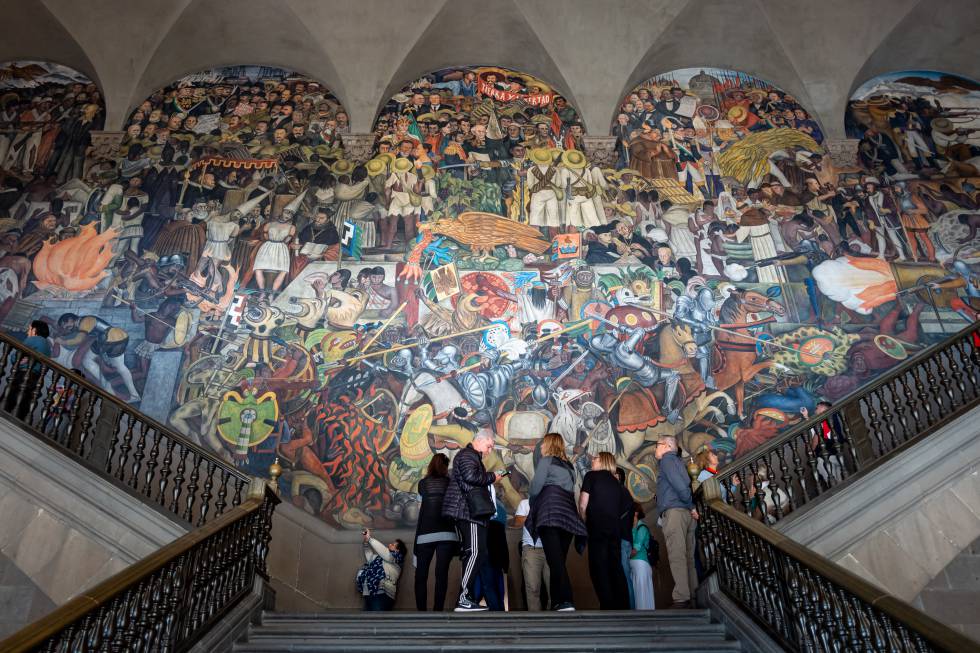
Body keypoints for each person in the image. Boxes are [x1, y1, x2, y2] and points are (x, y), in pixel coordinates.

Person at [442, 429, 506, 612]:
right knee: (475, 553)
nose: (489, 450)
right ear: (481, 440)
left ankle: (466, 598)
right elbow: (471, 477)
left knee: (474, 553)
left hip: (468, 512)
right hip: (468, 512)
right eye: (489, 446)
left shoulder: (470, 456)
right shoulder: (468, 454)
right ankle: (464, 598)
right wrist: (493, 477)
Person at [526, 433, 587, 612]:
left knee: (555, 562)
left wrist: (533, 504)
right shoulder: (569, 466)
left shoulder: (546, 461)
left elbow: (535, 488)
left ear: (549, 444)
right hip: (568, 517)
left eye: (543, 444)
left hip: (550, 514)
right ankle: (557, 603)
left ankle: (566, 601)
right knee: (558, 560)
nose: (542, 447)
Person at [579, 452, 631, 610]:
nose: (592, 461)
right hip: (614, 530)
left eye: (595, 458)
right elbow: (627, 504)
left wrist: (584, 522)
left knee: (598, 567)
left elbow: (582, 504)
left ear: (603, 461)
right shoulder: (617, 483)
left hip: (596, 528)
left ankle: (607, 606)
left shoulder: (591, 476)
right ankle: (622, 606)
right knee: (615, 567)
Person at [655, 435, 698, 608]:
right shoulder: (679, 462)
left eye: (657, 445)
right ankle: (693, 594)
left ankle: (681, 596)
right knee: (688, 557)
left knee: (677, 555)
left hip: (675, 513)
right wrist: (691, 507)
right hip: (685, 513)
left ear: (666, 446)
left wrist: (691, 505)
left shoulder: (667, 461)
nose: (655, 449)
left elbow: (680, 486)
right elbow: (685, 484)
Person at [413, 453, 458, 611]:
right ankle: (438, 611)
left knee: (421, 575)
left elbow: (420, 509)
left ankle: (421, 613)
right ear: (446, 467)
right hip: (447, 533)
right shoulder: (451, 483)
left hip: (425, 533)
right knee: (441, 575)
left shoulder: (422, 484)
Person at [5, 320, 52, 420]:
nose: (27, 332)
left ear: (34, 330)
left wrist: (22, 359)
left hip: (24, 374)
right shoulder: (48, 347)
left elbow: (15, 357)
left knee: (10, 398)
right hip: (37, 378)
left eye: (29, 329)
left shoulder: (34, 339)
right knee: (24, 402)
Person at [355, 528, 406, 611]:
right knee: (366, 622)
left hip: (382, 595)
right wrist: (366, 542)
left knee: (376, 621)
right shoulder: (380, 558)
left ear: (397, 550)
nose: (389, 544)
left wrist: (370, 539)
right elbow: (370, 556)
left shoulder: (396, 559)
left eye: (393, 545)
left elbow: (385, 553)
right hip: (369, 593)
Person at [515, 498, 550, 611]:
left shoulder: (551, 502)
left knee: (553, 587)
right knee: (532, 587)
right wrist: (539, 517)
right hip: (531, 549)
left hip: (551, 548)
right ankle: (535, 620)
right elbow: (518, 522)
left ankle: (553, 620)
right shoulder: (525, 503)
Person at [630, 504, 656, 610]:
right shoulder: (631, 527)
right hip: (634, 567)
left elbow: (635, 550)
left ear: (636, 513)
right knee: (637, 593)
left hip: (641, 565)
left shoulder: (642, 528)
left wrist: (622, 555)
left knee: (641, 593)